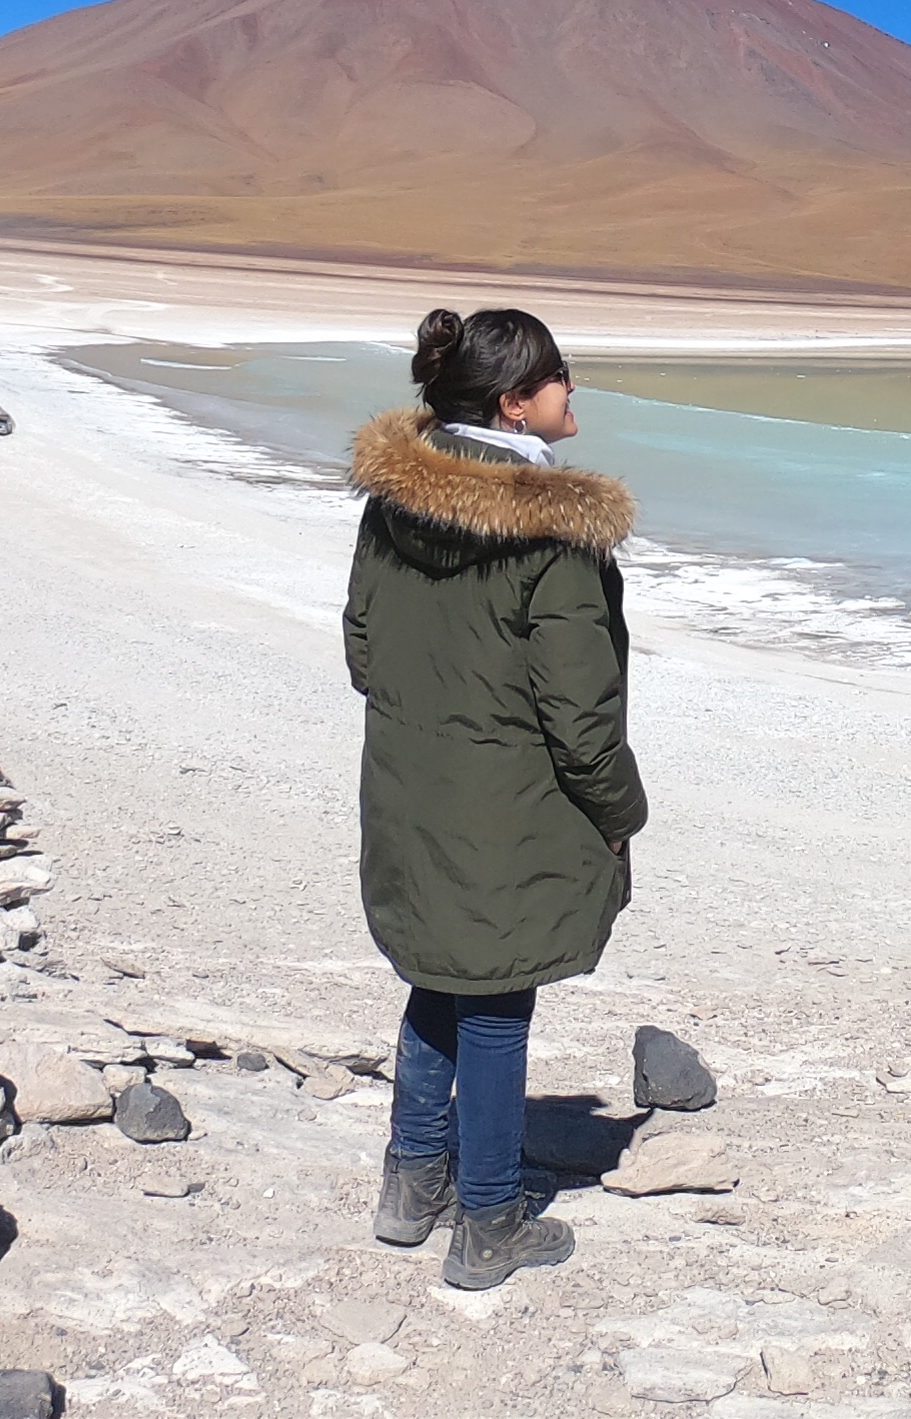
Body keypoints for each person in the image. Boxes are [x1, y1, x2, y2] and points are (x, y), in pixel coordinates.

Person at [344, 305, 645, 1289]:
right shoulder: (552, 535)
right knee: (497, 999)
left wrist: (432, 720)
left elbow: (362, 643)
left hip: (408, 780)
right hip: (509, 797)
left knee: (440, 972)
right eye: (561, 377)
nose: (573, 393)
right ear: (516, 403)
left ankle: (409, 1184)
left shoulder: (394, 503)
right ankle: (487, 1221)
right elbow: (580, 707)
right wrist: (618, 813)